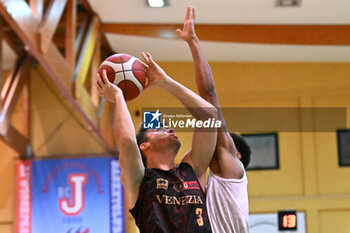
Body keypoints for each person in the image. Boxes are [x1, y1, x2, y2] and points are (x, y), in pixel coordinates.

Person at [96, 52, 217, 233]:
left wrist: (166, 82)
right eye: (159, 128)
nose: (169, 129)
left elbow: (210, 115)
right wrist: (118, 97)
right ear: (144, 146)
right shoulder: (139, 178)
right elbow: (127, 141)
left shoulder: (191, 169)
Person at [176, 6, 252, 233]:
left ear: (235, 155)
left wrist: (193, 42)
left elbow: (209, 96)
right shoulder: (217, 191)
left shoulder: (232, 171)